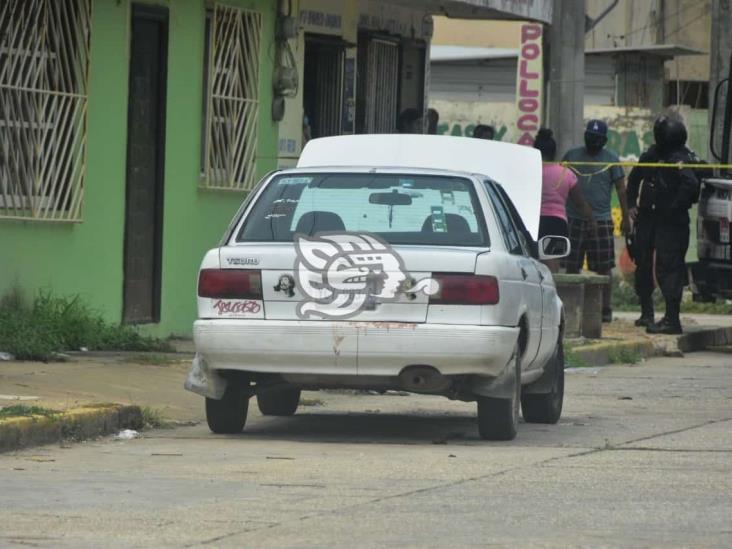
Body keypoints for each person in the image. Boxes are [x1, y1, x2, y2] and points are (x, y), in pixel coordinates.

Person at [626, 116, 701, 334]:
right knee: (643, 264)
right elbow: (634, 179)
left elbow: (691, 184)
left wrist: (674, 207)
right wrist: (631, 204)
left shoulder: (681, 158)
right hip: (649, 218)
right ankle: (647, 313)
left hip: (671, 222)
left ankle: (672, 319)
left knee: (669, 269)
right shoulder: (652, 155)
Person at [562, 119, 631, 322]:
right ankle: (570, 308)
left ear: (604, 140)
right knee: (571, 266)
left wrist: (626, 218)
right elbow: (560, 180)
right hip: (573, 219)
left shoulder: (611, 159)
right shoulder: (572, 156)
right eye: (590, 137)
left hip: (601, 221)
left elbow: (621, 189)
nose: (593, 141)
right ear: (585, 136)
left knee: (603, 267)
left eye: (597, 138)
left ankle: (604, 309)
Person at [533, 128, 597, 272]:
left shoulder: (528, 170)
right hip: (557, 223)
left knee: (532, 260)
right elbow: (580, 203)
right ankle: (553, 291)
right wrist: (591, 219)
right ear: (555, 152)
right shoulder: (565, 173)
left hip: (532, 222)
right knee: (552, 261)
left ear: (535, 150)